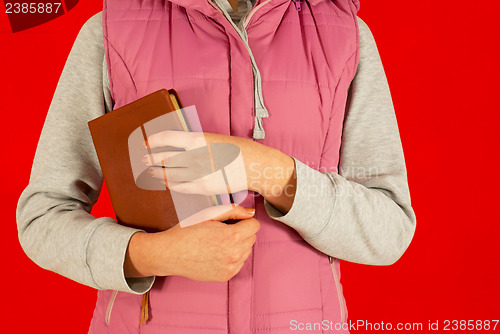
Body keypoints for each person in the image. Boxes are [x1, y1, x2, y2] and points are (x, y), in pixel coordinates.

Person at [16, 0, 417, 332]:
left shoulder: (344, 37)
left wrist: (267, 169)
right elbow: (42, 218)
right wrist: (152, 255)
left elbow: (389, 229)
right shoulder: (110, 33)